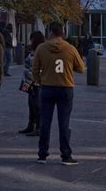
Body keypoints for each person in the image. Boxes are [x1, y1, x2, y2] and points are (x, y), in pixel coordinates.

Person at [32, 22, 85, 165]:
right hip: (65, 88)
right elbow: (81, 68)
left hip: (47, 87)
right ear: (62, 33)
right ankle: (66, 155)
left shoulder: (41, 48)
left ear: (50, 33)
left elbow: (35, 69)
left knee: (45, 122)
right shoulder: (70, 48)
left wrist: (39, 81)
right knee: (64, 123)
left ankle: (42, 154)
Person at [19, 30, 45, 136]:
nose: (30, 41)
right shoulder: (33, 51)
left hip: (35, 82)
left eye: (31, 39)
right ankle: (31, 125)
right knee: (31, 104)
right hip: (30, 82)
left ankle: (38, 127)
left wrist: (28, 81)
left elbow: (35, 68)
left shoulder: (39, 52)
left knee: (37, 105)